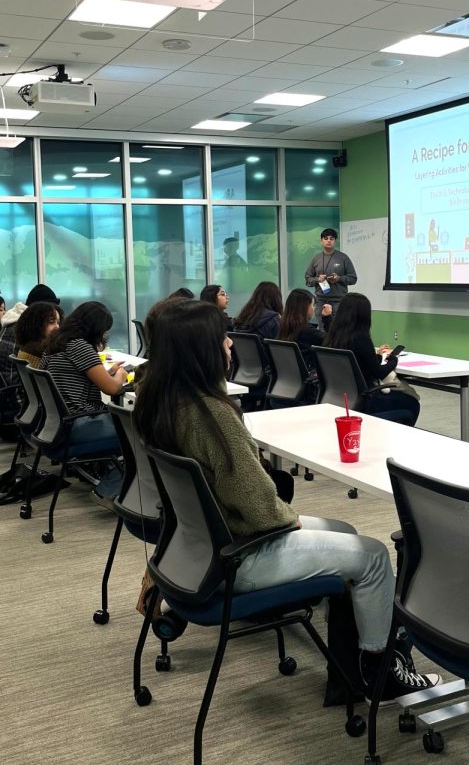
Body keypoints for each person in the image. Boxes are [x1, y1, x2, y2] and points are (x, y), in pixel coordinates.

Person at [132, 299, 439, 699]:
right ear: (198, 349)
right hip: (240, 553)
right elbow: (259, 506)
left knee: (345, 531)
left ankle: (351, 657)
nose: (229, 344)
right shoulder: (212, 415)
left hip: (197, 552)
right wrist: (287, 519)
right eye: (220, 338)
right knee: (374, 556)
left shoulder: (159, 402)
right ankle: (379, 668)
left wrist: (284, 516)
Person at [41, 301, 127, 499]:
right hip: (81, 422)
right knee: (141, 430)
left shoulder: (56, 343)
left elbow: (74, 376)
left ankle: (108, 475)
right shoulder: (79, 346)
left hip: (58, 423)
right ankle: (107, 491)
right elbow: (112, 388)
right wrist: (120, 375)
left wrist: (108, 372)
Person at [324, 294, 419, 426]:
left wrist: (378, 355)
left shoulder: (333, 336)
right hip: (365, 400)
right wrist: (393, 360)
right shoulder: (361, 337)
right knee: (412, 402)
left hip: (339, 397)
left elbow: (363, 363)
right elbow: (379, 373)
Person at [0, 283, 61, 386]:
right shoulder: (22, 329)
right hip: (14, 387)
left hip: (9, 384)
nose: (57, 326)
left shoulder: (13, 322)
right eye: (51, 320)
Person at [304, 228, 356, 325]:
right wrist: (317, 279)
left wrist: (339, 278)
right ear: (321, 241)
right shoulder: (316, 258)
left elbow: (353, 278)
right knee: (322, 331)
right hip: (321, 301)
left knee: (339, 330)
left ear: (335, 241)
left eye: (331, 239)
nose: (328, 241)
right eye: (326, 238)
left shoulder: (343, 258)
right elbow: (308, 279)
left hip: (339, 302)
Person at [14, 301, 63, 370]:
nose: (57, 327)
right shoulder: (40, 351)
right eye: (51, 321)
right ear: (36, 323)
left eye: (58, 322)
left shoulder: (27, 347)